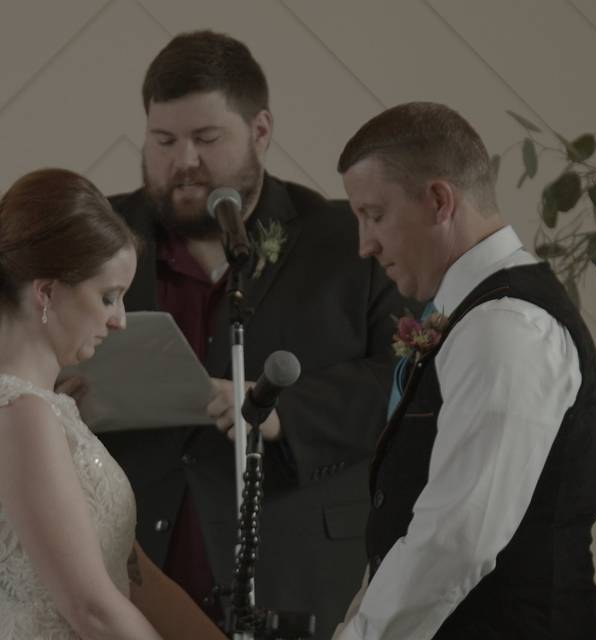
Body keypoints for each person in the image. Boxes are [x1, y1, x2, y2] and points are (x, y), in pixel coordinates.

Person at [96, 30, 407, 638]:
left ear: (260, 131)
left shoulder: (348, 240)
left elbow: (406, 379)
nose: (182, 160)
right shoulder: (98, 233)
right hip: (124, 571)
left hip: (293, 572)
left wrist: (283, 412)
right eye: (163, 140)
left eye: (206, 139)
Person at [334, 102, 596, 639]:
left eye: (374, 215)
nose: (364, 244)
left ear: (439, 200)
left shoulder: (506, 327)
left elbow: (456, 538)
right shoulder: (471, 318)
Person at [0, 168, 225, 639]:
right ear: (47, 292)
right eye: (108, 297)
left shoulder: (50, 410)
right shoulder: (23, 413)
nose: (120, 319)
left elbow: (130, 573)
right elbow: (92, 608)